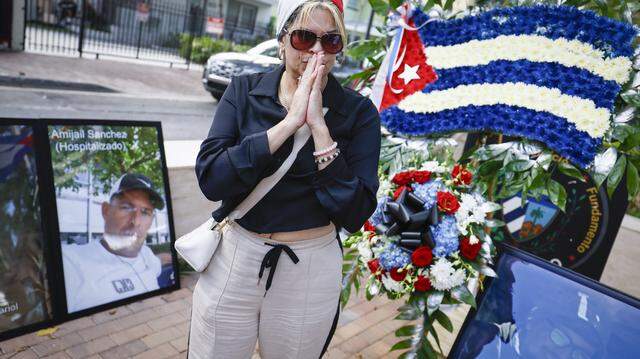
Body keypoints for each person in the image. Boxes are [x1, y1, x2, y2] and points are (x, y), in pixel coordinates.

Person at [188, 0, 381, 357]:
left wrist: (320, 131)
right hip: (236, 254)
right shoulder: (244, 92)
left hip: (309, 265)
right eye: (305, 38)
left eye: (331, 41)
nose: (317, 52)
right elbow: (212, 180)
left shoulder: (358, 113)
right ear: (282, 41)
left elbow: (355, 213)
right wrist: (288, 124)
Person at [62, 173, 165, 313]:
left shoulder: (147, 255)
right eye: (126, 207)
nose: (136, 221)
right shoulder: (71, 264)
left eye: (145, 212)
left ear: (152, 220)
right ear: (106, 211)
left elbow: (161, 260)